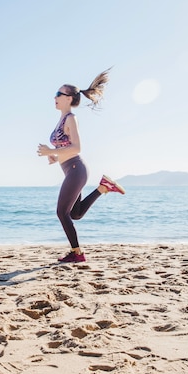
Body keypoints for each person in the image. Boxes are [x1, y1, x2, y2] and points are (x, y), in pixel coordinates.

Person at [37, 68, 125, 263]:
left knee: (62, 212)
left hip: (77, 170)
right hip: (71, 170)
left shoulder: (71, 118)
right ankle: (103, 187)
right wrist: (54, 157)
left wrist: (51, 151)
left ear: (69, 98)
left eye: (59, 94)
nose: (55, 97)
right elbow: (65, 147)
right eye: (55, 94)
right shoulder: (61, 118)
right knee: (75, 214)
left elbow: (76, 148)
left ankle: (77, 254)